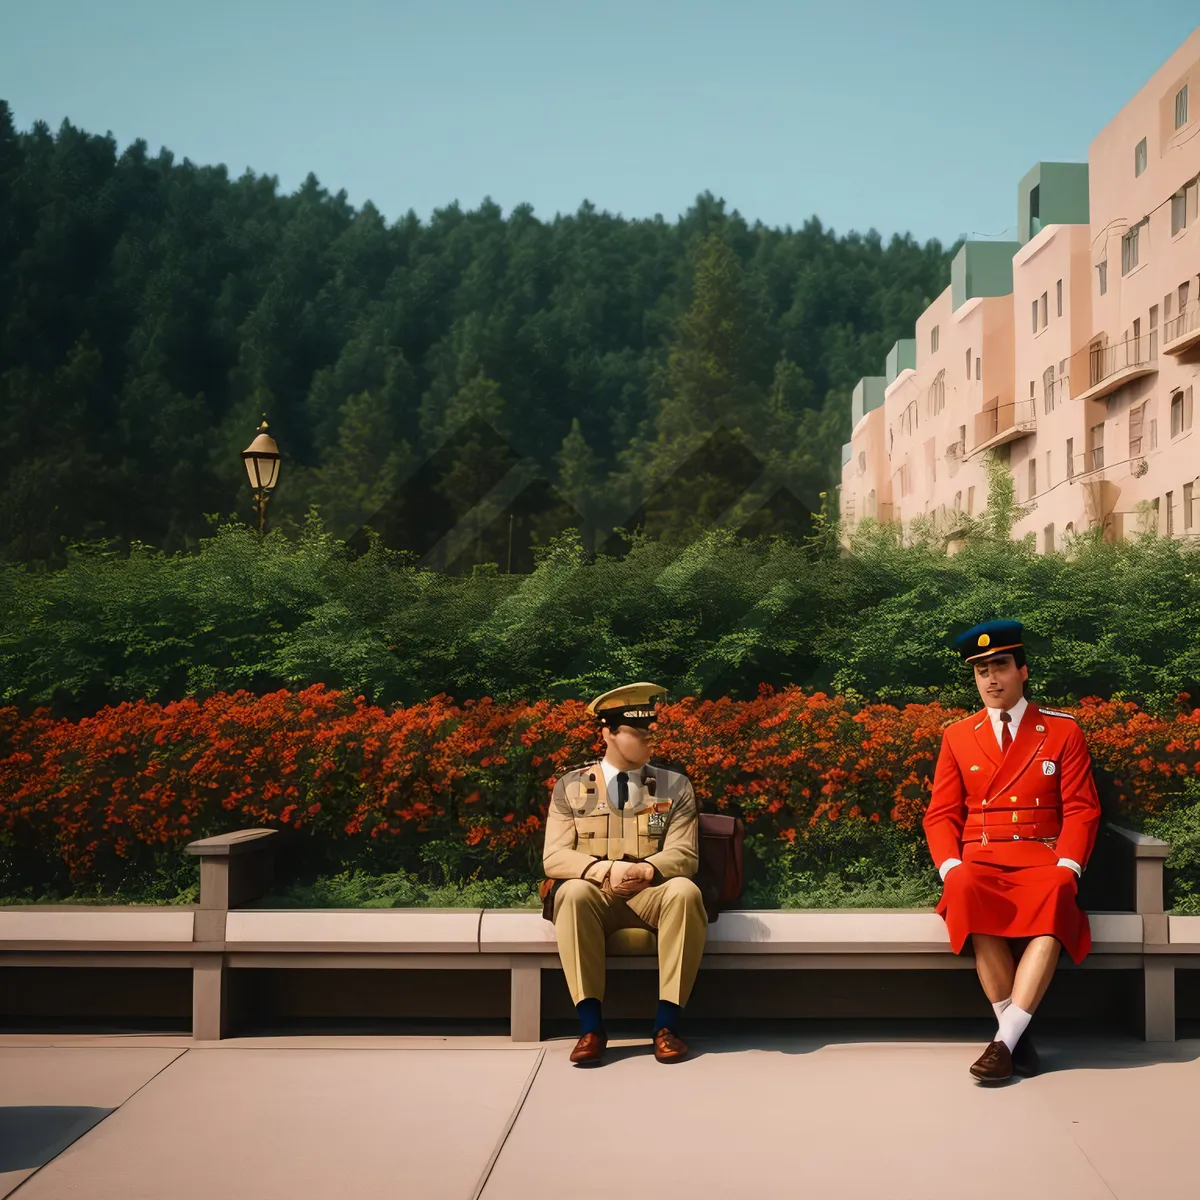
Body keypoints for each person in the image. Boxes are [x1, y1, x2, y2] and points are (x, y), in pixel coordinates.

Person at [923, 620, 1102, 1082]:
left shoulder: (1061, 732)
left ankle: (1004, 1042)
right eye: (981, 670)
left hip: (1042, 859)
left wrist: (1069, 864)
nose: (991, 679)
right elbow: (940, 814)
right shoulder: (958, 735)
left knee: (1056, 897)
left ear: (1022, 671)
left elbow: (1082, 809)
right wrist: (949, 865)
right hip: (979, 860)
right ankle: (1014, 1038)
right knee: (964, 889)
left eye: (1000, 666)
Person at [541, 682, 707, 1066]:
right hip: (598, 894)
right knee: (571, 894)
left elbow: (684, 852)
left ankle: (667, 1027)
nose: (648, 738)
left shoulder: (673, 785)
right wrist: (605, 870)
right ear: (608, 733)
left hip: (653, 894)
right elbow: (555, 856)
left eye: (650, 731)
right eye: (636, 732)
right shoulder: (572, 786)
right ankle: (591, 1029)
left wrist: (649, 868)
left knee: (685, 891)